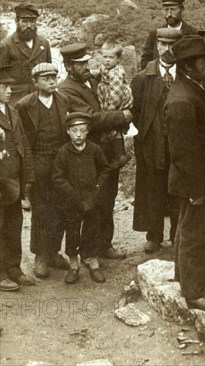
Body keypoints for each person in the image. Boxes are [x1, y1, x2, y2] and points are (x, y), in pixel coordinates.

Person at [165, 35, 205, 312]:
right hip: (194, 180)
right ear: (189, 66)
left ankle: (189, 277)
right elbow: (183, 152)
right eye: (203, 59)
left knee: (190, 227)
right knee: (194, 232)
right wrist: (195, 190)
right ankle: (194, 292)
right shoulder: (182, 100)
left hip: (198, 178)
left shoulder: (192, 86)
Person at [59, 43, 132, 260]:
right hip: (89, 155)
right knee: (93, 201)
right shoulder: (67, 90)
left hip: (108, 151)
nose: (86, 67)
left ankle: (104, 244)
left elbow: (114, 94)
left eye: (86, 62)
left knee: (109, 196)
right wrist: (123, 116)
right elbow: (92, 117)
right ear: (68, 66)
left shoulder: (91, 80)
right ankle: (88, 251)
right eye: (80, 64)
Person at [15, 63, 70, 278]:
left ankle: (54, 252)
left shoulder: (64, 101)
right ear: (35, 82)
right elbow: (21, 140)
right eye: (45, 78)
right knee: (41, 209)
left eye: (54, 77)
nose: (51, 81)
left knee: (61, 207)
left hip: (61, 163)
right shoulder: (24, 105)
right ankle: (40, 256)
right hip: (38, 161)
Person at [131, 28, 182, 254]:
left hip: (179, 142)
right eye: (163, 45)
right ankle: (154, 234)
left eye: (172, 45)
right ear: (157, 46)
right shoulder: (143, 78)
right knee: (154, 186)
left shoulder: (187, 75)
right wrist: (142, 145)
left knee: (178, 186)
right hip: (153, 143)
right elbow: (136, 114)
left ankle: (177, 233)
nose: (167, 50)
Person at [52, 112, 111, 284]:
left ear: (88, 132)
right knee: (72, 231)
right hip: (71, 202)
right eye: (75, 130)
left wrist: (97, 189)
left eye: (82, 131)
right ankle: (73, 265)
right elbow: (57, 177)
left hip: (92, 200)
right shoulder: (63, 152)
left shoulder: (94, 150)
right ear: (68, 131)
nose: (78, 135)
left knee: (92, 229)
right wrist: (71, 193)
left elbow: (104, 170)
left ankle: (93, 262)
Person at [0, 64, 36, 291]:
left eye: (10, 86)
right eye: (4, 87)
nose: (9, 90)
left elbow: (23, 145)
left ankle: (13, 267)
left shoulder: (12, 112)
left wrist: (28, 177)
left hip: (14, 181)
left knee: (14, 224)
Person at [0, 3, 52, 106]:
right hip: (17, 101)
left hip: (40, 99)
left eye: (32, 21)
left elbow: (49, 72)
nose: (29, 26)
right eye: (25, 21)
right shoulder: (6, 45)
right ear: (17, 22)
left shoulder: (44, 43)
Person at [97, 39, 133, 169]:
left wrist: (110, 111)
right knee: (112, 127)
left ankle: (120, 155)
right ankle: (116, 153)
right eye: (104, 57)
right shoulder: (105, 67)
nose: (107, 60)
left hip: (117, 101)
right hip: (110, 95)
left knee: (113, 126)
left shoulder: (116, 73)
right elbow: (100, 72)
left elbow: (116, 95)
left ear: (118, 59)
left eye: (111, 58)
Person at [140, 0, 198, 69]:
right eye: (166, 10)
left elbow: (197, 63)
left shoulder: (192, 34)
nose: (169, 14)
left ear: (181, 9)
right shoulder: (155, 34)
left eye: (173, 9)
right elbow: (146, 60)